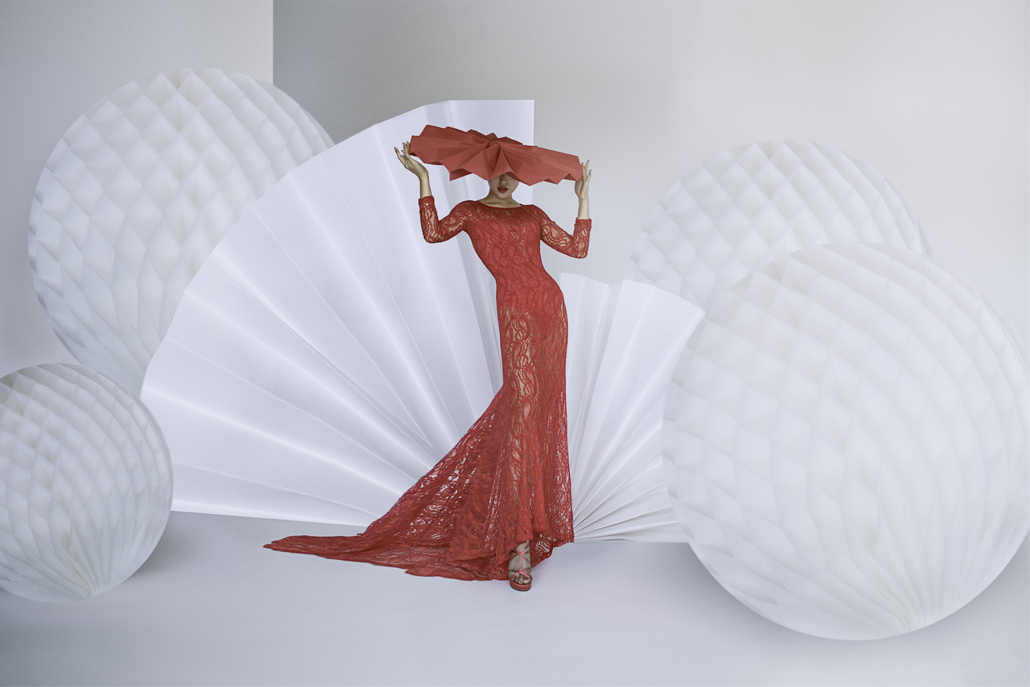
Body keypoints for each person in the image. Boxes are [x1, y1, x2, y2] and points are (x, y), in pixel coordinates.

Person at [267, 131, 591, 592]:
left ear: (519, 176)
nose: (504, 180)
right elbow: (434, 232)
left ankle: (527, 528)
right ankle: (516, 543)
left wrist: (582, 200)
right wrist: (422, 180)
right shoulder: (471, 212)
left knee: (538, 415)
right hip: (515, 309)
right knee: (520, 415)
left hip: (550, 310)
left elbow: (576, 250)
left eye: (511, 173)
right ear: (484, 174)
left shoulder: (533, 213)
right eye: (496, 172)